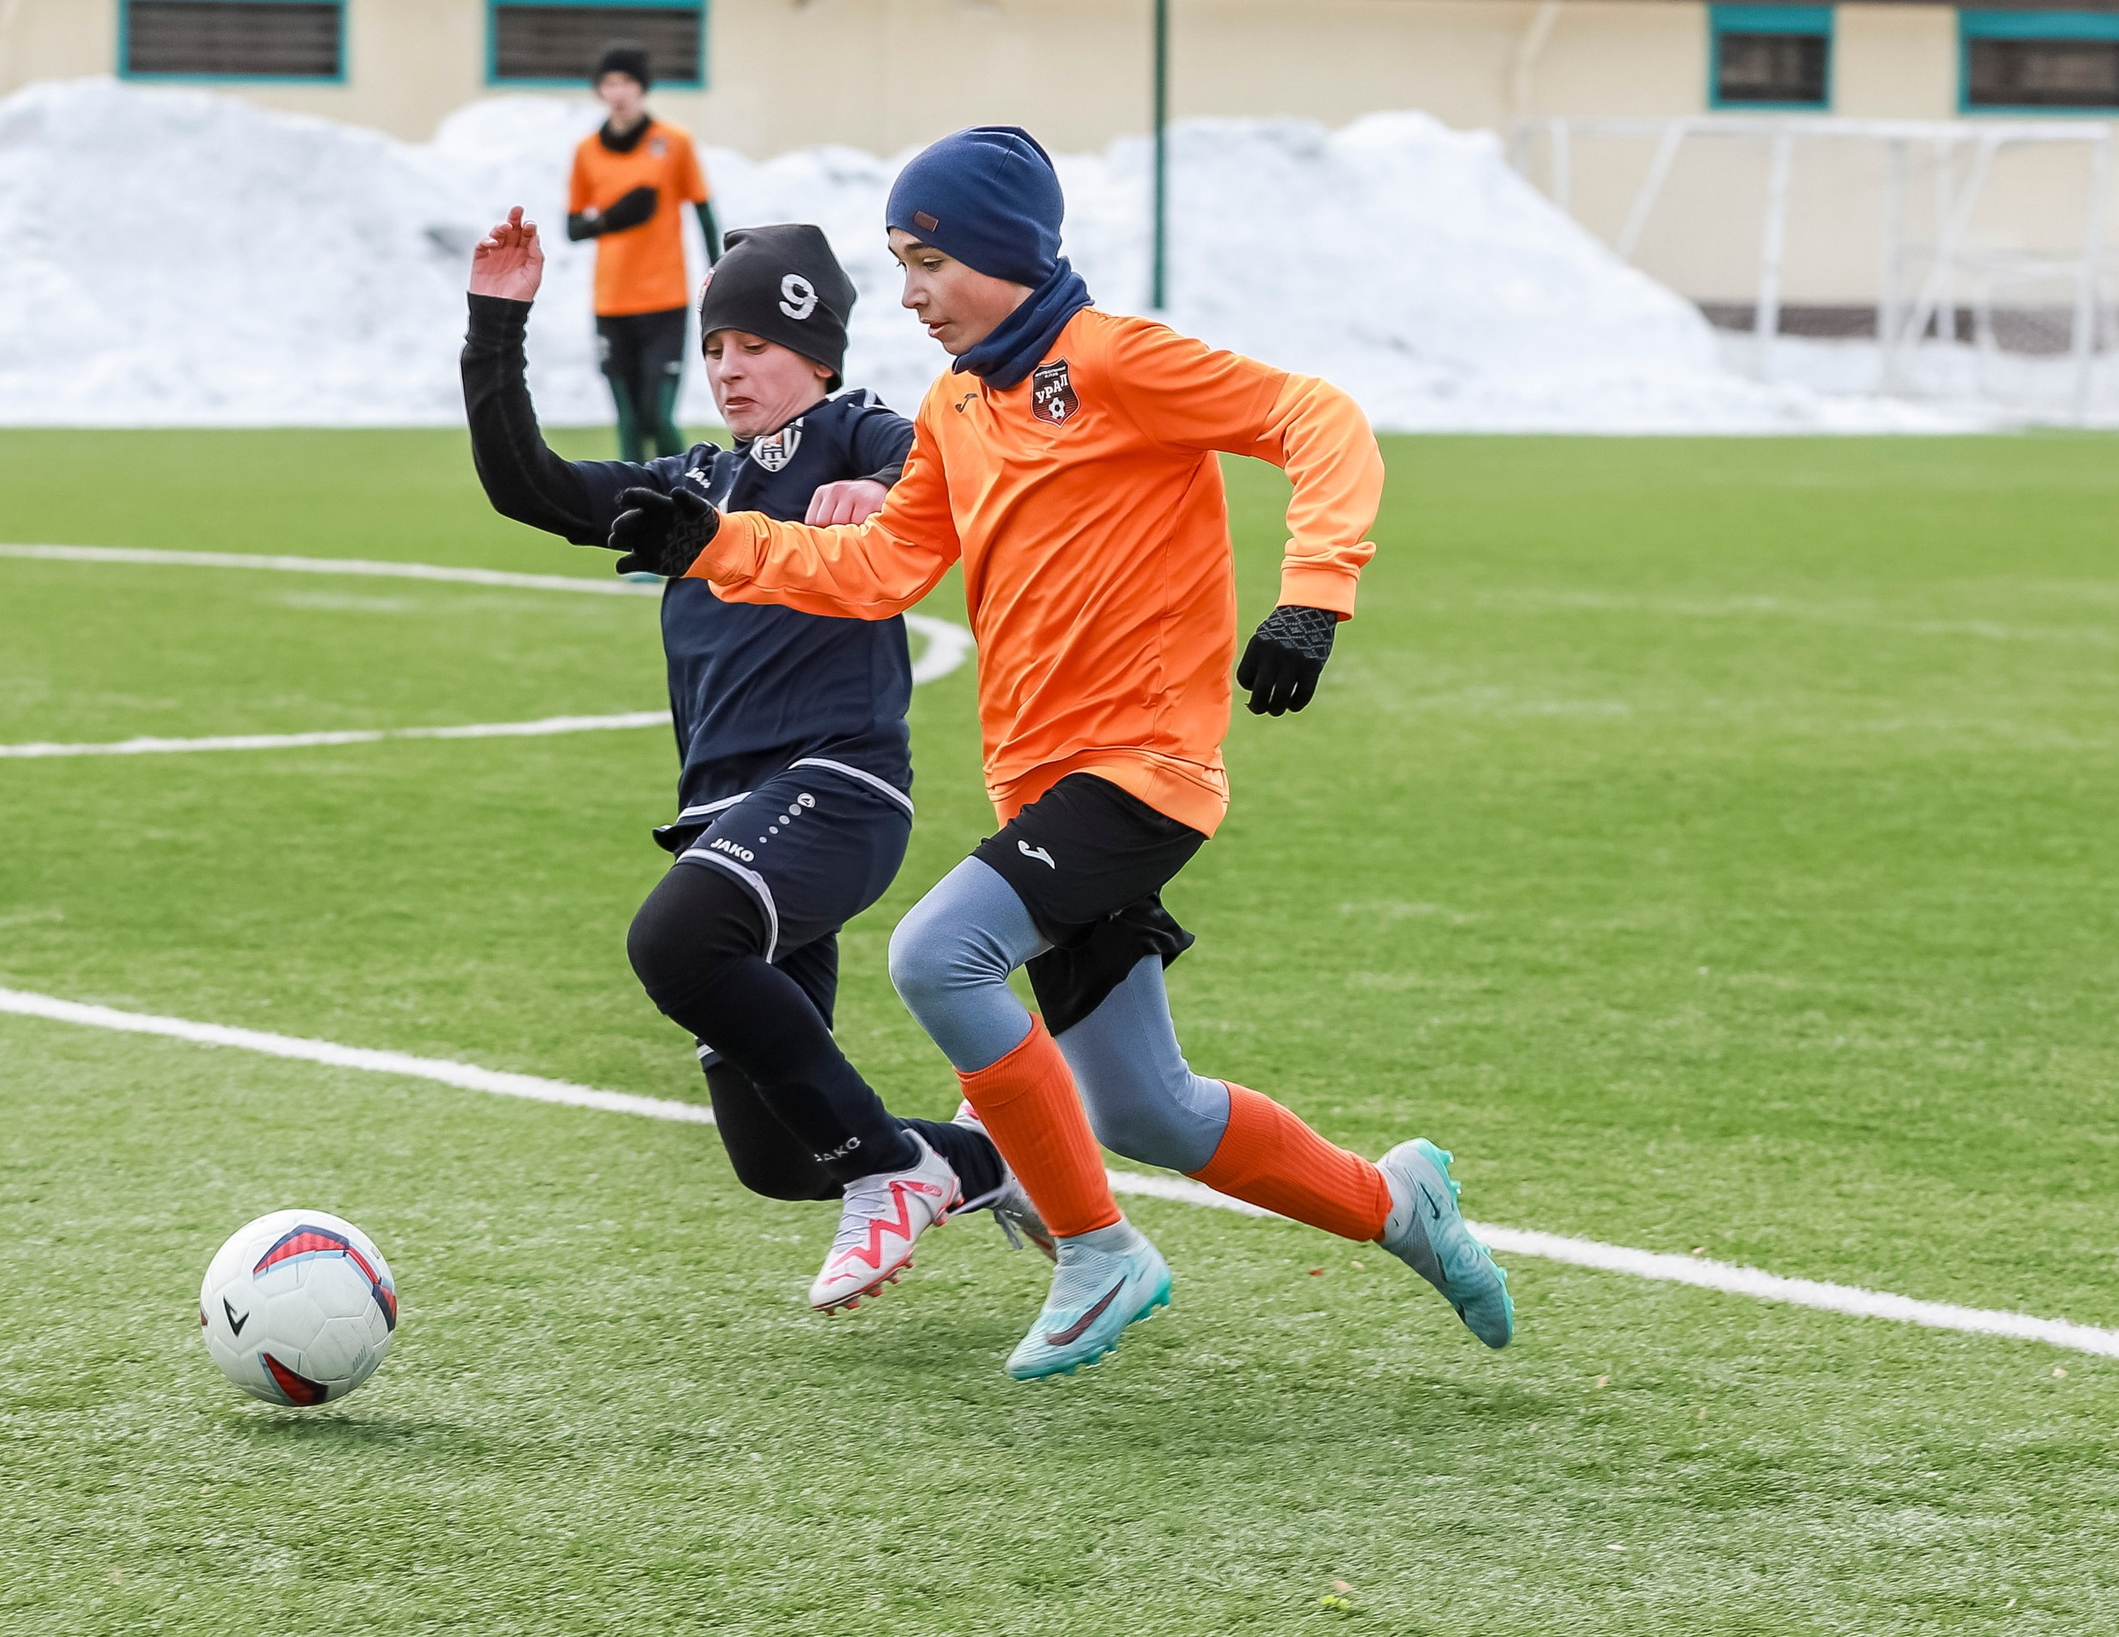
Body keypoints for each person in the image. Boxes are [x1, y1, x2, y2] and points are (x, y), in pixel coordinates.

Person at [610, 126, 1517, 1381]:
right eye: (900, 263)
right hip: (1042, 786)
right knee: (1148, 1106)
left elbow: (1320, 418)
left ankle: (1096, 1251)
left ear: (1000, 252)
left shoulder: (1114, 359)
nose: (913, 292)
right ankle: (1399, 1205)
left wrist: (1312, 595)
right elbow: (879, 571)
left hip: (1141, 771)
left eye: (930, 261)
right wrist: (714, 543)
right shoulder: (956, 406)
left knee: (938, 954)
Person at [463, 205, 1048, 1312]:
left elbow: (969, 467)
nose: (729, 370)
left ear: (815, 353)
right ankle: (987, 1159)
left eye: (756, 347)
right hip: (733, 822)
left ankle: (895, 1166)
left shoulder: (858, 431)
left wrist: (890, 497)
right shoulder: (695, 486)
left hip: (838, 792)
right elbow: (525, 488)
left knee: (675, 941)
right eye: (715, 348)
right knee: (775, 1156)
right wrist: (495, 325)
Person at [566, 42, 719, 463]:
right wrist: (614, 218)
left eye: (627, 82)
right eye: (609, 82)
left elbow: (704, 211)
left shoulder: (674, 143)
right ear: (599, 90)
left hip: (665, 298)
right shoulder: (586, 151)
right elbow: (573, 227)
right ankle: (629, 508)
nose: (618, 92)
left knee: (659, 415)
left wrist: (720, 273)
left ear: (642, 88)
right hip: (612, 301)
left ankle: (692, 496)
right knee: (629, 419)